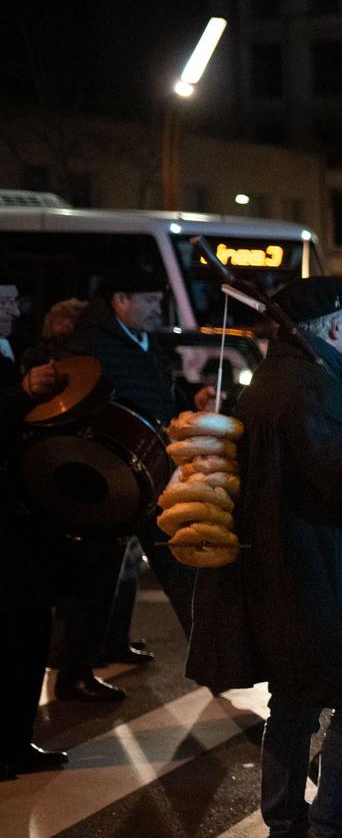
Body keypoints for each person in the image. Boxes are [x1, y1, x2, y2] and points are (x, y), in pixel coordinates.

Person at [185, 279, 342, 838]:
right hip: (322, 576)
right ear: (333, 325)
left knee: (294, 705)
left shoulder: (271, 382)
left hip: (281, 575)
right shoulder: (311, 388)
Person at [50, 266, 208, 689]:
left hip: (153, 471)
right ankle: (75, 672)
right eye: (151, 301)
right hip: (109, 479)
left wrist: (190, 401)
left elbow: (159, 392)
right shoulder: (88, 346)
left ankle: (211, 657)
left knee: (178, 560)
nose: (159, 309)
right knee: (97, 575)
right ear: (121, 300)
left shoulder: (141, 341)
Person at [0, 271, 68, 778]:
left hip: (22, 512)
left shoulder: (12, 349)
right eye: (4, 300)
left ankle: (16, 740)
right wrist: (23, 393)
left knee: (28, 627)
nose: (14, 308)